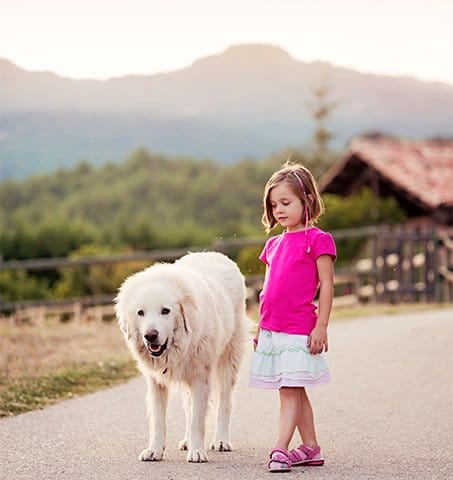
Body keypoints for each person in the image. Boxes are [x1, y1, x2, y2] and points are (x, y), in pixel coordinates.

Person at [249, 161, 336, 473]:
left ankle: (280, 448)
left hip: (299, 328)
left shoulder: (317, 239)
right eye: (274, 205)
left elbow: (326, 284)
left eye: (286, 203)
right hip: (273, 329)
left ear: (307, 201)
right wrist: (261, 327)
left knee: (288, 389)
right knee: (294, 388)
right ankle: (310, 447)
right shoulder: (273, 244)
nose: (279, 210)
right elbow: (268, 291)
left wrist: (321, 326)